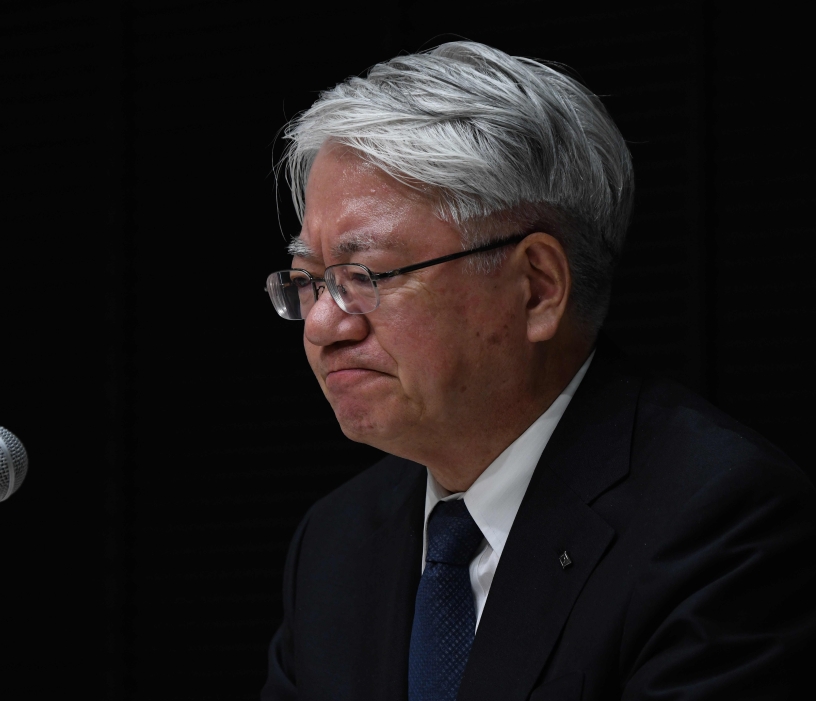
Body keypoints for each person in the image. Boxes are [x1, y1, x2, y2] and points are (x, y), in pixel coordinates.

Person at [260, 42, 815, 700]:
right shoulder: (336, 542)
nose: (323, 324)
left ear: (536, 287)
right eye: (310, 280)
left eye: (365, 275)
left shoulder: (721, 525)